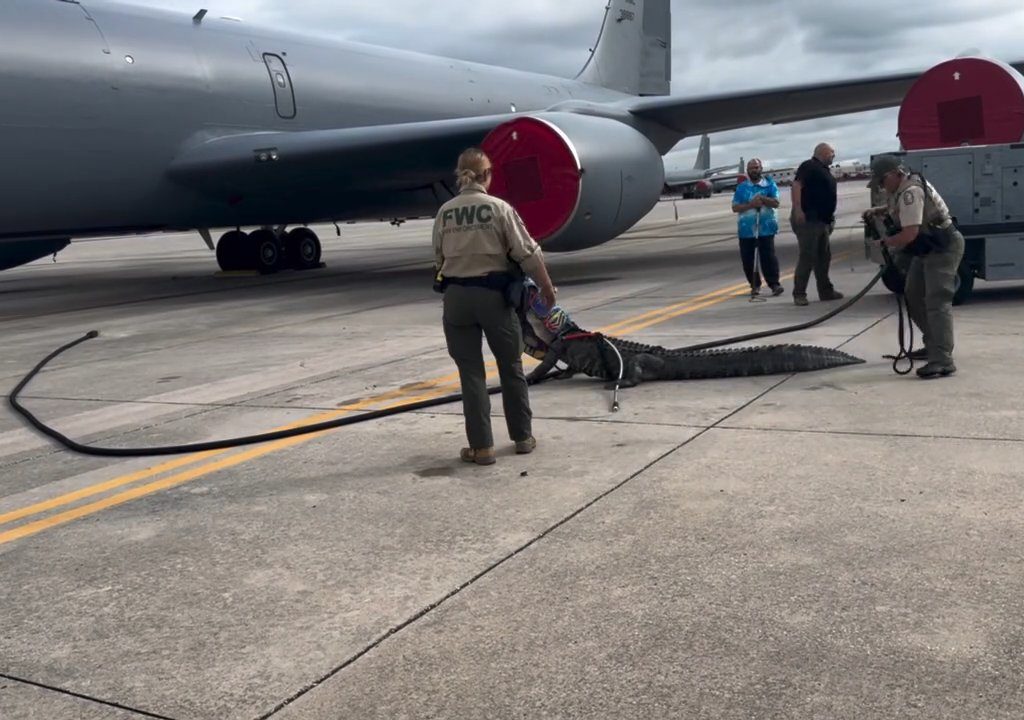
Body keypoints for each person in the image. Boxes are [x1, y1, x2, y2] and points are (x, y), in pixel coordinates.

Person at [432, 147, 558, 465]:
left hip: (457, 299)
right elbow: (528, 253)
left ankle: (481, 446)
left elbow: (438, 257)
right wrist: (546, 288)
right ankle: (522, 438)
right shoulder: (499, 208)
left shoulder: (445, 212)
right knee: (510, 368)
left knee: (471, 372)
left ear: (460, 175)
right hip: (494, 299)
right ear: (487, 175)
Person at [863, 155, 965, 378]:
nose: (881, 186)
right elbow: (900, 210)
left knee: (937, 301)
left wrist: (885, 243)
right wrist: (880, 210)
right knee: (913, 293)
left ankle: (943, 359)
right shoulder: (901, 189)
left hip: (942, 248)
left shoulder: (911, 192)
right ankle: (934, 345)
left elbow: (910, 234)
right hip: (926, 249)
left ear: (894, 174)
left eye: (882, 181)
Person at [790, 142, 842, 306]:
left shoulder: (824, 170)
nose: (834, 155)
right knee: (808, 256)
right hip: (809, 219)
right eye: (831, 153)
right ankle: (799, 293)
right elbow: (797, 185)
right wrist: (798, 209)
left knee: (823, 257)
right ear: (822, 153)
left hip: (822, 220)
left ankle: (826, 291)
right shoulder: (809, 166)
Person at [731, 158, 783, 297]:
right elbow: (735, 207)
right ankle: (754, 285)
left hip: (765, 228)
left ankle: (774, 284)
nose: (755, 170)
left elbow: (776, 202)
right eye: (752, 168)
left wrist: (763, 199)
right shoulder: (742, 188)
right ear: (748, 171)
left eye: (757, 167)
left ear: (761, 169)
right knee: (748, 259)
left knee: (768, 257)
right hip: (747, 229)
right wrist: (751, 204)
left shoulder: (769, 185)